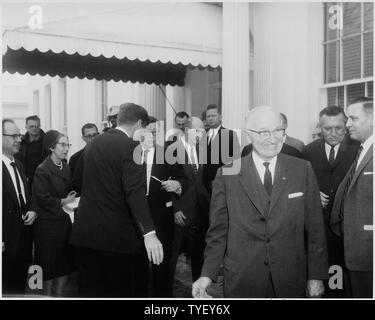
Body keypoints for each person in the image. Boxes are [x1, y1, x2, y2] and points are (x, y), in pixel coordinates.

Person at [193, 106, 328, 298]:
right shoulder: (227, 173)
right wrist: (207, 274)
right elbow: (218, 231)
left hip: (291, 277)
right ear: (249, 135)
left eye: (278, 131)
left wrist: (316, 276)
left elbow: (315, 228)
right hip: (243, 279)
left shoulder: (302, 169)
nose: (272, 139)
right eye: (264, 132)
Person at [70, 103, 163, 298]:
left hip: (84, 236)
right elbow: (135, 192)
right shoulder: (131, 147)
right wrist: (149, 233)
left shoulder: (93, 143)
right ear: (138, 123)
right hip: (115, 242)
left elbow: (78, 182)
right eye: (144, 129)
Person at [304, 106, 360, 297]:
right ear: (320, 127)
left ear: (346, 125)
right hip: (318, 229)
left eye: (339, 127)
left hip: (348, 229)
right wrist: (311, 194)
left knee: (346, 285)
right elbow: (298, 185)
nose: (334, 133)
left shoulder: (358, 149)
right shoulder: (308, 151)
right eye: (328, 129)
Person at [137, 117, 187, 297]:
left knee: (162, 265)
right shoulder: (129, 153)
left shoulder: (167, 153)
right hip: (134, 218)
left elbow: (183, 178)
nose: (152, 136)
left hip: (161, 217)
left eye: (155, 132)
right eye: (148, 132)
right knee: (136, 265)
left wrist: (177, 185)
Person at [330, 97, 373, 298]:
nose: (347, 125)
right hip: (353, 248)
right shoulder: (362, 149)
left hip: (368, 252)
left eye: (353, 119)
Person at [32, 130, 76, 297]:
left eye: (68, 144)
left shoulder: (66, 166)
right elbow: (42, 198)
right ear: (51, 147)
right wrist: (64, 201)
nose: (66, 148)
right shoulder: (42, 169)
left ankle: (59, 296)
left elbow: (67, 190)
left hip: (64, 223)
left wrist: (71, 199)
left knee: (65, 265)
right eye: (62, 144)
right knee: (49, 268)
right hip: (48, 227)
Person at [170, 117, 210, 288]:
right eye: (198, 130)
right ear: (187, 131)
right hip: (180, 212)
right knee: (172, 255)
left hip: (200, 211)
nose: (202, 134)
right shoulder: (170, 151)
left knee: (198, 255)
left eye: (203, 130)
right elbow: (166, 182)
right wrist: (175, 209)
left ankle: (198, 290)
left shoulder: (203, 150)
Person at [2, 119, 38, 295]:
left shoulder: (20, 165)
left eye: (19, 135)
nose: (19, 139)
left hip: (22, 243)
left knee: (18, 290)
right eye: (13, 135)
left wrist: (32, 210)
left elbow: (27, 196)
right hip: (5, 244)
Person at [203, 104, 240, 194]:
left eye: (213, 116)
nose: (210, 118)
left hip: (222, 184)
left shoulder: (230, 135)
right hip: (204, 186)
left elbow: (235, 162)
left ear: (220, 117)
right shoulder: (202, 135)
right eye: (208, 116)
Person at [15, 115, 46, 192]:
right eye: (31, 126)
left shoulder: (47, 141)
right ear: (26, 127)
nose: (34, 128)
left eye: (36, 126)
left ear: (40, 126)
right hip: (27, 180)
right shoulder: (20, 142)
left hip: (45, 178)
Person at [69, 123, 99, 195]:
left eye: (95, 135)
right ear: (83, 138)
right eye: (89, 136)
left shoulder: (107, 154)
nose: (93, 138)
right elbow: (75, 186)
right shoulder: (75, 159)